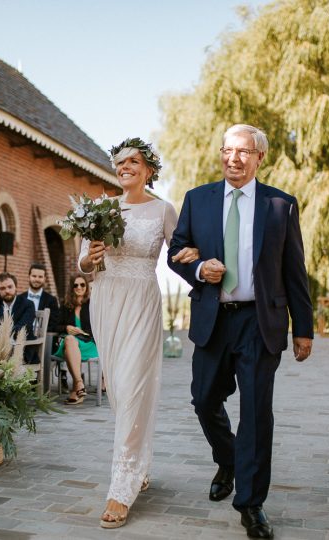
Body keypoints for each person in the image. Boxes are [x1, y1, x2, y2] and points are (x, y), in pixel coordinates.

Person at [167, 124, 314, 539]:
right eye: (227, 150)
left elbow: (294, 271)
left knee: (255, 413)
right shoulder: (198, 199)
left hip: (260, 321)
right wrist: (197, 269)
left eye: (243, 151)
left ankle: (251, 503)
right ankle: (228, 459)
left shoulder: (280, 205)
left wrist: (304, 328)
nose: (233, 158)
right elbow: (175, 251)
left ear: (259, 157)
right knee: (203, 399)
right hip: (213, 318)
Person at [79, 137, 181, 529]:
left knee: (133, 384)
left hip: (140, 301)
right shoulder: (101, 207)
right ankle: (140, 465)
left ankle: (121, 489)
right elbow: (84, 262)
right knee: (120, 390)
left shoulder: (162, 210)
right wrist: (90, 257)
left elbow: (178, 255)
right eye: (120, 162)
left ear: (149, 170)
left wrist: (197, 261)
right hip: (104, 300)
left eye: (133, 161)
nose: (124, 167)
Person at [54, 275, 97, 405]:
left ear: (86, 287)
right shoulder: (66, 305)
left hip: (87, 343)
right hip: (69, 342)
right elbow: (55, 325)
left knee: (70, 347)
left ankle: (76, 388)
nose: (79, 287)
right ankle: (79, 384)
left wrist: (83, 332)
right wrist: (67, 327)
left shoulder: (93, 304)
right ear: (71, 288)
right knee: (70, 340)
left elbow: (100, 326)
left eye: (82, 285)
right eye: (76, 285)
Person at [0, 273, 35, 353]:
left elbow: (24, 328)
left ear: (16, 288)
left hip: (22, 350)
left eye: (10, 287)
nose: (7, 291)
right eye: (2, 288)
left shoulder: (28, 304)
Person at [18, 263, 59, 330]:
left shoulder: (51, 300)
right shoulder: (19, 299)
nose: (37, 279)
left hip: (43, 337)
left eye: (40, 277)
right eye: (34, 276)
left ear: (44, 279)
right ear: (29, 277)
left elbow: (54, 324)